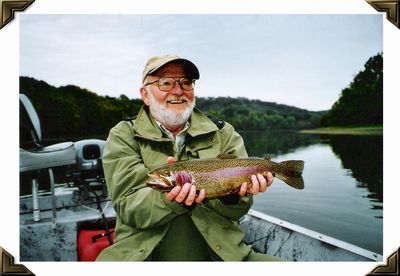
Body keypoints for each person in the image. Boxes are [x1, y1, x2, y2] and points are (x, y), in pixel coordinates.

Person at [96, 54, 279, 261]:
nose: (178, 91)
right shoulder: (124, 135)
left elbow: (238, 211)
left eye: (186, 83)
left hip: (225, 254)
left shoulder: (224, 132)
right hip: (142, 257)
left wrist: (232, 196)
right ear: (145, 95)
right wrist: (169, 200)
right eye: (165, 83)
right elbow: (128, 207)